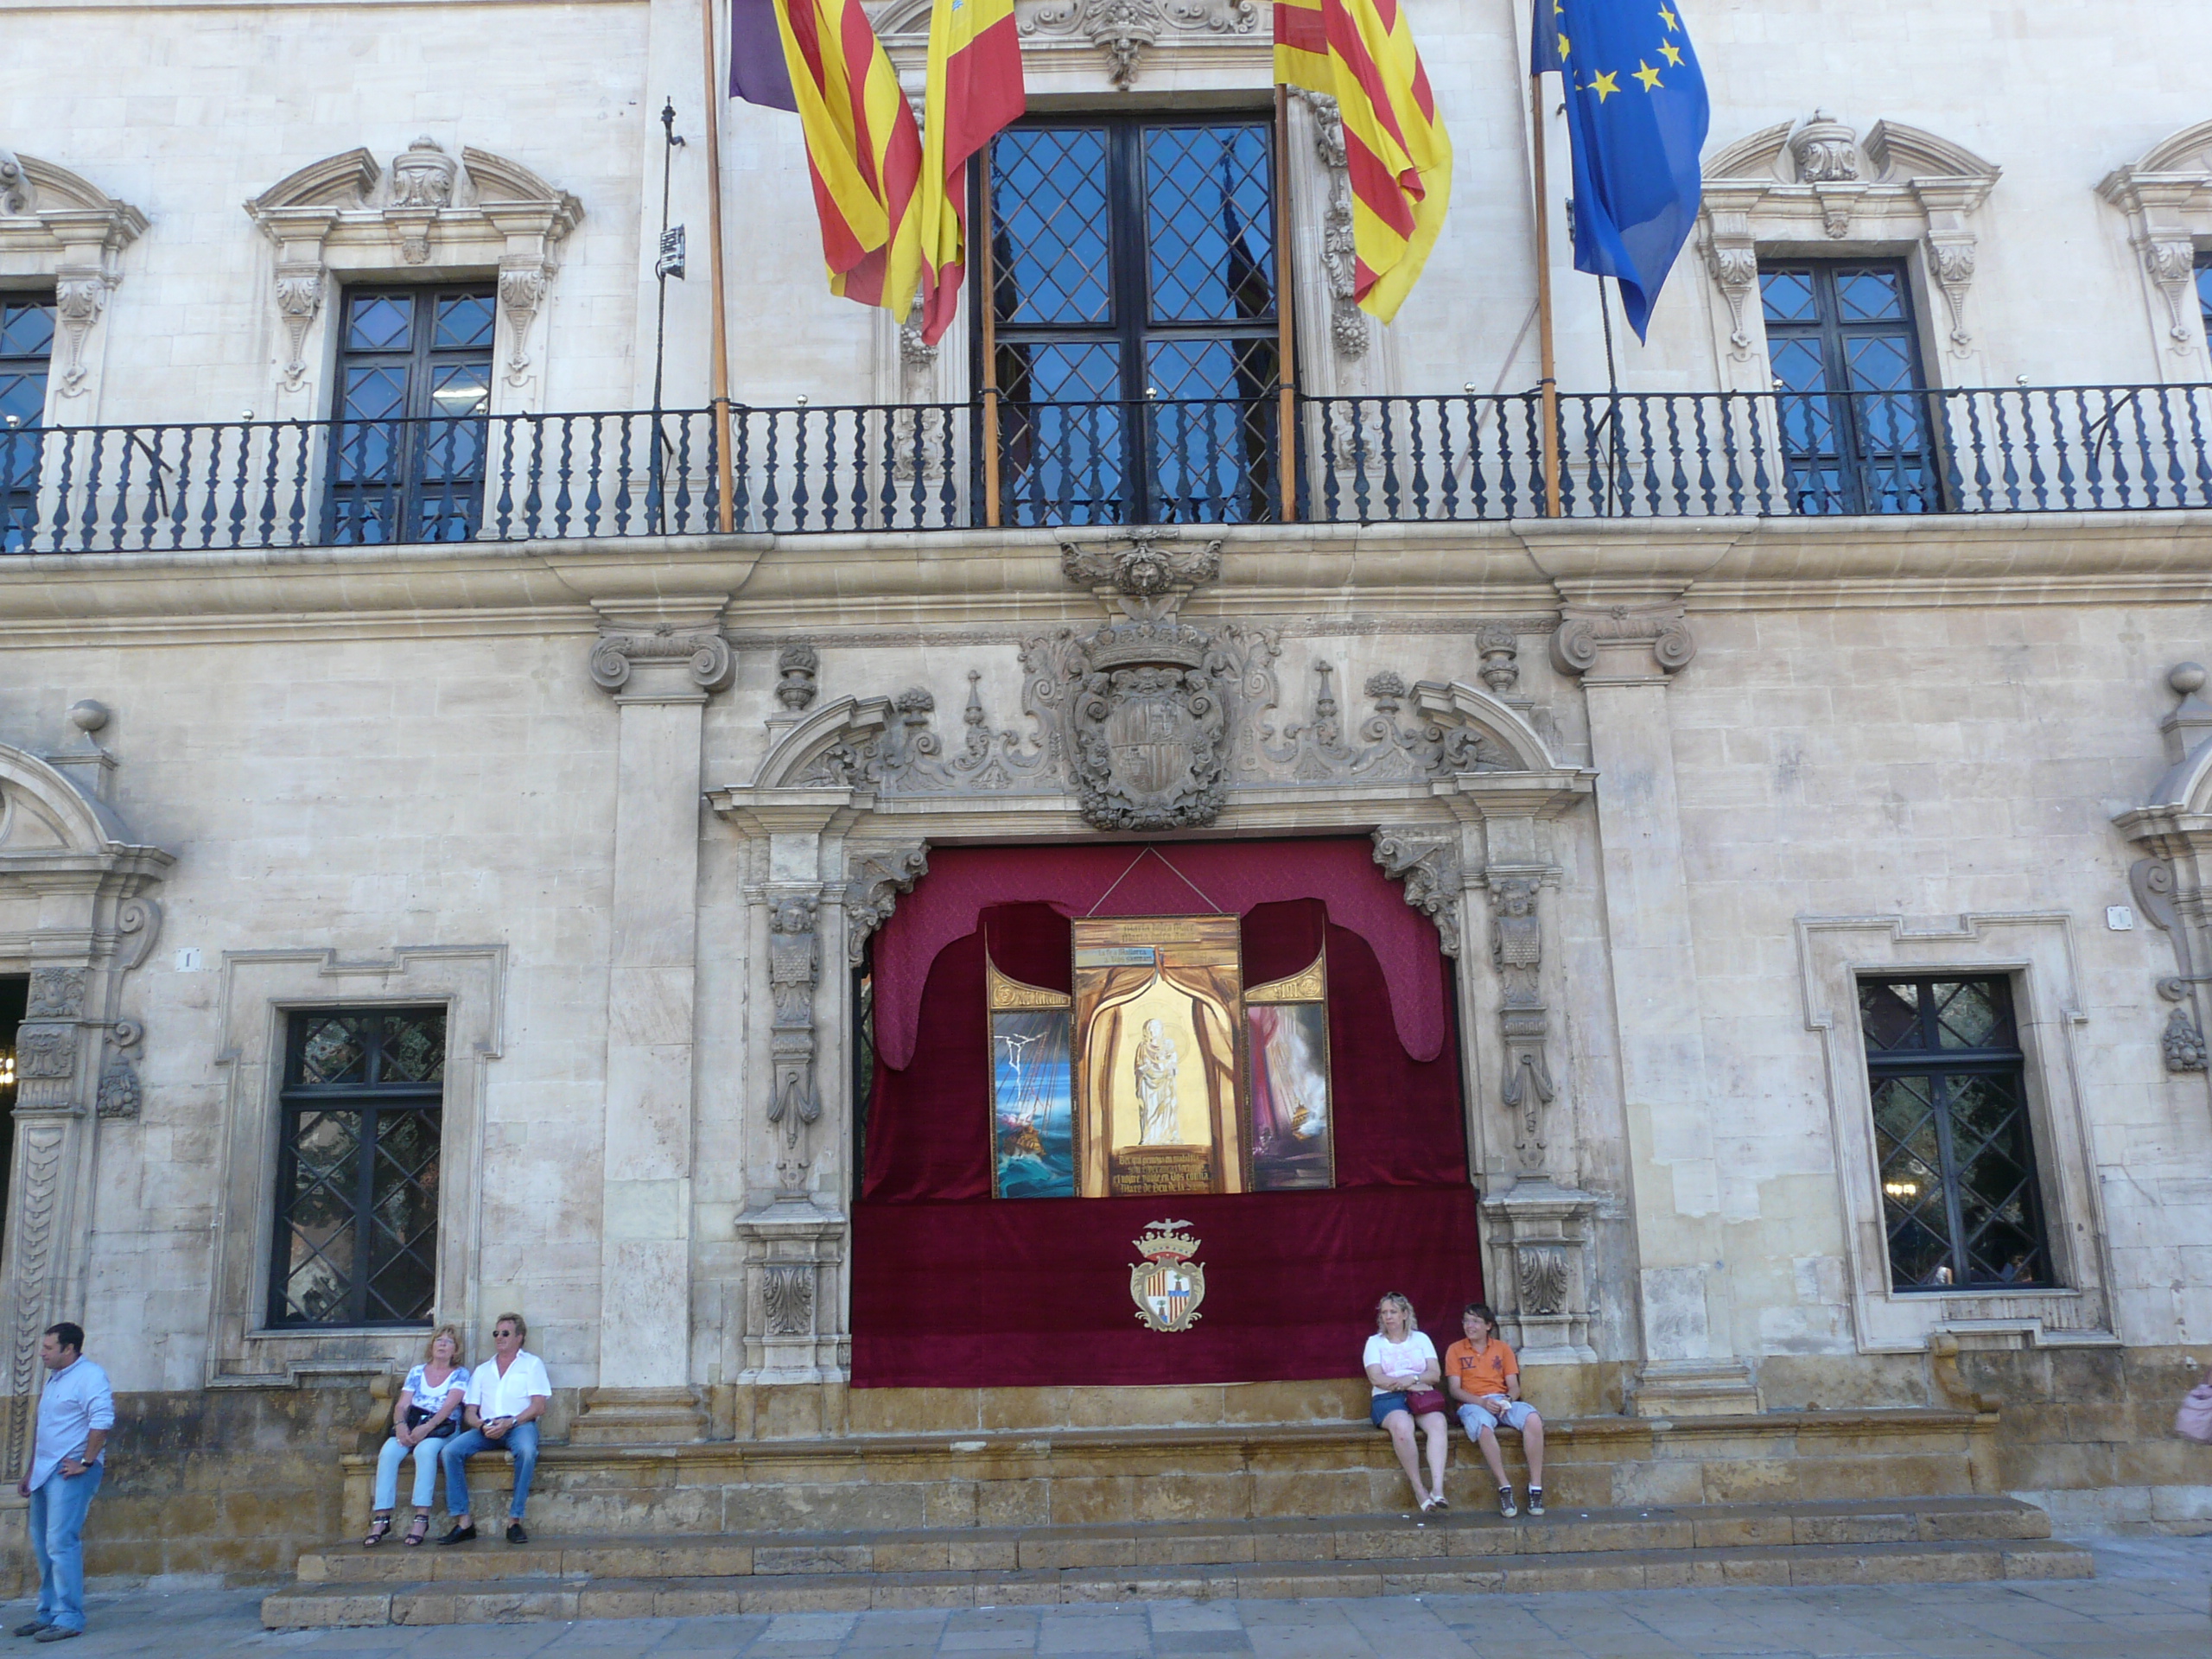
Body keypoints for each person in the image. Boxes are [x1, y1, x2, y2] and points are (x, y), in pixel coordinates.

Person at [14, 1323, 114, 1643]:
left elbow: (102, 1420)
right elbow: (47, 1430)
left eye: (47, 1348)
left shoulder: (90, 1376)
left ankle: (69, 1616)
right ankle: (48, 1613)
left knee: (61, 1541)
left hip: (69, 1471)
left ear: (68, 1349)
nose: (41, 1353)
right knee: (44, 1544)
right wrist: (31, 1471)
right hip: (45, 1471)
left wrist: (85, 1462)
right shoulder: (56, 1379)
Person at [438, 1313, 550, 1545]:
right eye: (496, 1333)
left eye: (505, 1333)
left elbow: (539, 1406)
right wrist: (481, 1425)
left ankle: (514, 1521)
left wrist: (511, 1422)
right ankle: (464, 1522)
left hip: (519, 1425)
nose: (499, 1337)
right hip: (487, 1427)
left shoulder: (531, 1364)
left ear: (519, 1337)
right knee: (450, 1451)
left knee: (527, 1452)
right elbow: (470, 1411)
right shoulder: (482, 1370)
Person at [365, 1325, 469, 1548]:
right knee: (389, 1451)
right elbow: (403, 1404)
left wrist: (427, 1427)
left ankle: (421, 1518)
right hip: (412, 1424)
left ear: (455, 1350)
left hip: (443, 1427)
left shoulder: (460, 1373)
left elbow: (450, 1405)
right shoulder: (417, 1372)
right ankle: (381, 1518)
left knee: (425, 1451)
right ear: (431, 1346)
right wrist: (400, 1425)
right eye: (438, 1340)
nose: (442, 1344)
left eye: (448, 1342)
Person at [1444, 1302, 1547, 1518]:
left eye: (1475, 1321)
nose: (1469, 1326)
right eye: (1466, 1321)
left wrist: (1507, 1400)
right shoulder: (1455, 1350)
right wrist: (1482, 1403)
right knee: (1482, 1427)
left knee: (1533, 1419)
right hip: (1473, 1403)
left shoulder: (1502, 1348)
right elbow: (1454, 1390)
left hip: (1502, 1400)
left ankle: (1535, 1487)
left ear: (1488, 1326)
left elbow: (1514, 1386)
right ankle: (1504, 1487)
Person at [1362, 1293, 1452, 1512]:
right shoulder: (1374, 1343)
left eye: (1393, 1312)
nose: (1388, 1317)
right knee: (1402, 1427)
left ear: (1404, 1314)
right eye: (1384, 1313)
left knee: (1438, 1423)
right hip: (1388, 1398)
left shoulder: (1421, 1339)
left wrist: (1413, 1379)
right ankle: (1419, 1488)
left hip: (1421, 1395)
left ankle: (1438, 1489)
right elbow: (1376, 1378)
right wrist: (1407, 1384)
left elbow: (1434, 1373)